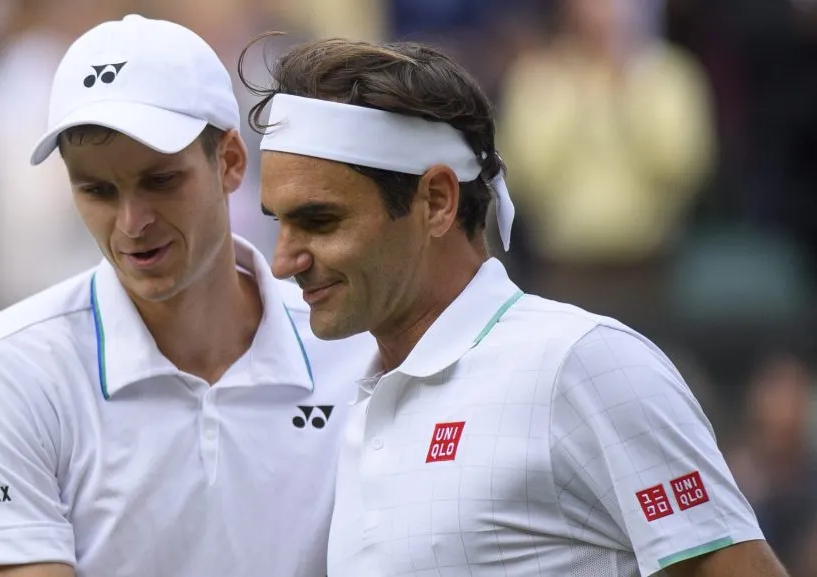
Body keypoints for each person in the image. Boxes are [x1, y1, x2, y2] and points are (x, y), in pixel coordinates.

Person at [244, 36, 788, 577]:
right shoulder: (355, 403)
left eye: (319, 221)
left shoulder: (581, 363)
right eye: (279, 222)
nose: (283, 261)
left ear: (436, 201)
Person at [0, 15, 375, 577]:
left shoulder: (363, 353)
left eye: (161, 181)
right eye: (97, 190)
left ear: (231, 161)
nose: (132, 223)